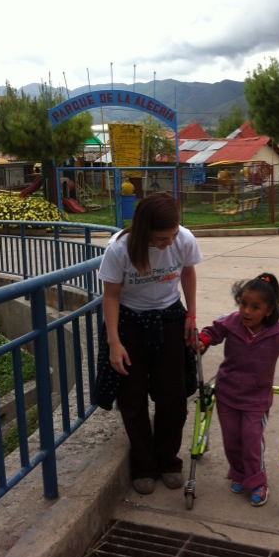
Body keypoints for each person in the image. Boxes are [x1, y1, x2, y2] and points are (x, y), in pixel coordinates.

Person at [94, 191, 202, 495]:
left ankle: (168, 460)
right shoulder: (119, 249)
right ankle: (144, 466)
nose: (169, 243)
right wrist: (114, 342)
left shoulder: (183, 239)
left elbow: (188, 274)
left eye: (172, 236)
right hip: (129, 323)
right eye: (161, 238)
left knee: (173, 395)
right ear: (144, 230)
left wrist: (191, 315)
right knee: (132, 396)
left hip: (169, 318)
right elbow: (111, 296)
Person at [195, 272, 279, 507]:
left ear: (269, 311)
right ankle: (239, 473)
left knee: (251, 440)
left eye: (255, 307)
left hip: (256, 398)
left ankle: (258, 481)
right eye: (243, 304)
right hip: (227, 392)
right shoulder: (231, 321)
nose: (246, 311)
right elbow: (212, 331)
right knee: (231, 440)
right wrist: (203, 340)